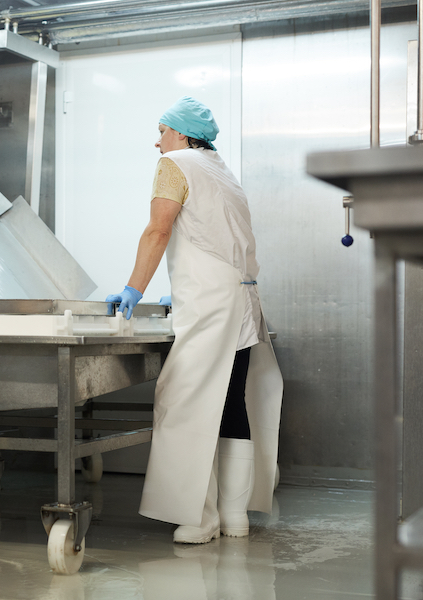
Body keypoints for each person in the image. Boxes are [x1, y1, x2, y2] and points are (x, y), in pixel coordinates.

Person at [105, 96, 283, 544]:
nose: (157, 141)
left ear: (181, 135)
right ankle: (235, 517)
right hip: (240, 298)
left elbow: (158, 230)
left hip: (210, 304)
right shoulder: (221, 170)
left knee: (184, 400)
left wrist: (134, 289)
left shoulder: (175, 163)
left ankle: (199, 520)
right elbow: (218, 237)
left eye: (162, 130)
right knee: (230, 402)